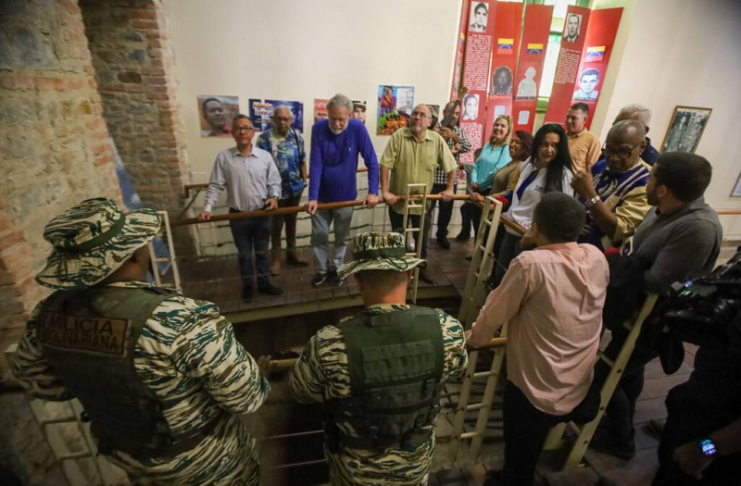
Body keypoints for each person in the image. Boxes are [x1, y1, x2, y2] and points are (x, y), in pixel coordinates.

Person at [11, 198, 271, 486]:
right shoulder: (180, 318)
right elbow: (246, 397)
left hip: (126, 456)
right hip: (206, 464)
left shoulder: (47, 315)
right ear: (136, 254)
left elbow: (40, 383)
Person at [289, 231, 468, 486]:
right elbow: (459, 371)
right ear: (409, 274)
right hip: (414, 468)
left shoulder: (329, 343)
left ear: (358, 281)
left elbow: (300, 391)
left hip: (355, 474)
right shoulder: (446, 329)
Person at [467, 193, 609, 486]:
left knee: (521, 450)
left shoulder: (530, 264)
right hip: (580, 383)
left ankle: (514, 479)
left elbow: (494, 315)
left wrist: (475, 340)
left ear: (535, 227)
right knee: (529, 442)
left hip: (536, 391)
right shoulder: (596, 256)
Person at [590, 153, 722, 459]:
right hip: (634, 310)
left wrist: (616, 265)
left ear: (663, 189)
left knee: (604, 374)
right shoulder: (662, 209)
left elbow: (657, 282)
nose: (645, 181)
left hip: (655, 320)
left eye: (650, 178)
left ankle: (621, 439)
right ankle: (619, 423)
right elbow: (637, 252)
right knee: (627, 370)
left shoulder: (697, 227)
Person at [201, 114, 283, 302]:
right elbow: (215, 185)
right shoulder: (224, 157)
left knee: (262, 253)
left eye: (246, 128)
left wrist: (274, 197)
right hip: (238, 216)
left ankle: (264, 284)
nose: (242, 132)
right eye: (238, 128)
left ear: (253, 132)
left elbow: (275, 182)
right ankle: (248, 287)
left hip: (262, 214)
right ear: (232, 132)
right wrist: (207, 208)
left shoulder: (265, 157)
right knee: (245, 255)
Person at [307, 93, 379, 287]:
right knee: (319, 236)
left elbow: (372, 160)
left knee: (341, 237)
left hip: (346, 197)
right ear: (327, 114)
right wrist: (312, 197)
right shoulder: (318, 129)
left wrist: (373, 192)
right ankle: (322, 270)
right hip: (321, 197)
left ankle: (337, 268)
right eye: (333, 118)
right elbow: (315, 163)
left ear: (349, 115)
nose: (337, 124)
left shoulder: (358, 128)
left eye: (341, 119)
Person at [490, 123, 575, 288]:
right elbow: (516, 193)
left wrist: (538, 230)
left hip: (531, 237)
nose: (549, 150)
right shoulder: (530, 164)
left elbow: (561, 212)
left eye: (555, 146)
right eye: (545, 144)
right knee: (501, 276)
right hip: (512, 227)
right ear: (537, 145)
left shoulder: (564, 175)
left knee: (518, 284)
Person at [380, 104, 456, 283]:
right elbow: (385, 164)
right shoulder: (399, 136)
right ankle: (399, 272)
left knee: (421, 240)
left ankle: (420, 270)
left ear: (429, 121)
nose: (417, 117)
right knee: (397, 238)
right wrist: (385, 191)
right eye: (415, 114)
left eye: (422, 115)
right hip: (398, 201)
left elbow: (451, 165)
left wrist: (450, 188)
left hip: (423, 203)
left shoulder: (436, 140)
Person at [572, 120, 652, 251]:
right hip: (575, 245)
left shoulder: (645, 182)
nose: (614, 158)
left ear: (642, 147)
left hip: (601, 255)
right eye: (609, 149)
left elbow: (617, 230)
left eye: (624, 151)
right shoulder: (601, 165)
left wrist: (590, 195)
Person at [256, 106, 309, 275]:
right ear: (273, 119)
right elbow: (259, 167)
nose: (282, 121)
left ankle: (292, 255)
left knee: (292, 223)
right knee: (276, 226)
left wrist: (304, 181)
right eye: (279, 118)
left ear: (291, 120)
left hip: (295, 189)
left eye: (286, 118)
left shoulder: (297, 137)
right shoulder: (264, 139)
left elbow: (303, 161)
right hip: (275, 193)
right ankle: (276, 260)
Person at [434, 101, 471, 249]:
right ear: (444, 113)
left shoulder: (459, 132)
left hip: (450, 181)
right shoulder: (435, 128)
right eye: (452, 112)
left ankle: (441, 235)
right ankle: (423, 236)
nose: (454, 116)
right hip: (433, 178)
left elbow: (467, 146)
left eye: (457, 113)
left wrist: (454, 136)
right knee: (426, 211)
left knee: (446, 212)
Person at [469, 115, 513, 238]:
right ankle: (476, 250)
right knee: (477, 225)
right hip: (477, 189)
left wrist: (480, 184)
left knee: (485, 230)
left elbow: (497, 171)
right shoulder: (488, 145)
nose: (498, 128)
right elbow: (476, 165)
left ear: (508, 131)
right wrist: (473, 180)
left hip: (490, 192)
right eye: (496, 125)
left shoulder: (506, 148)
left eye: (502, 126)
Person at [566, 102, 602, 172]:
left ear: (584, 120)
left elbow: (592, 169)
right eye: (567, 117)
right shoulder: (560, 137)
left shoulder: (592, 140)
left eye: (573, 118)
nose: (569, 121)